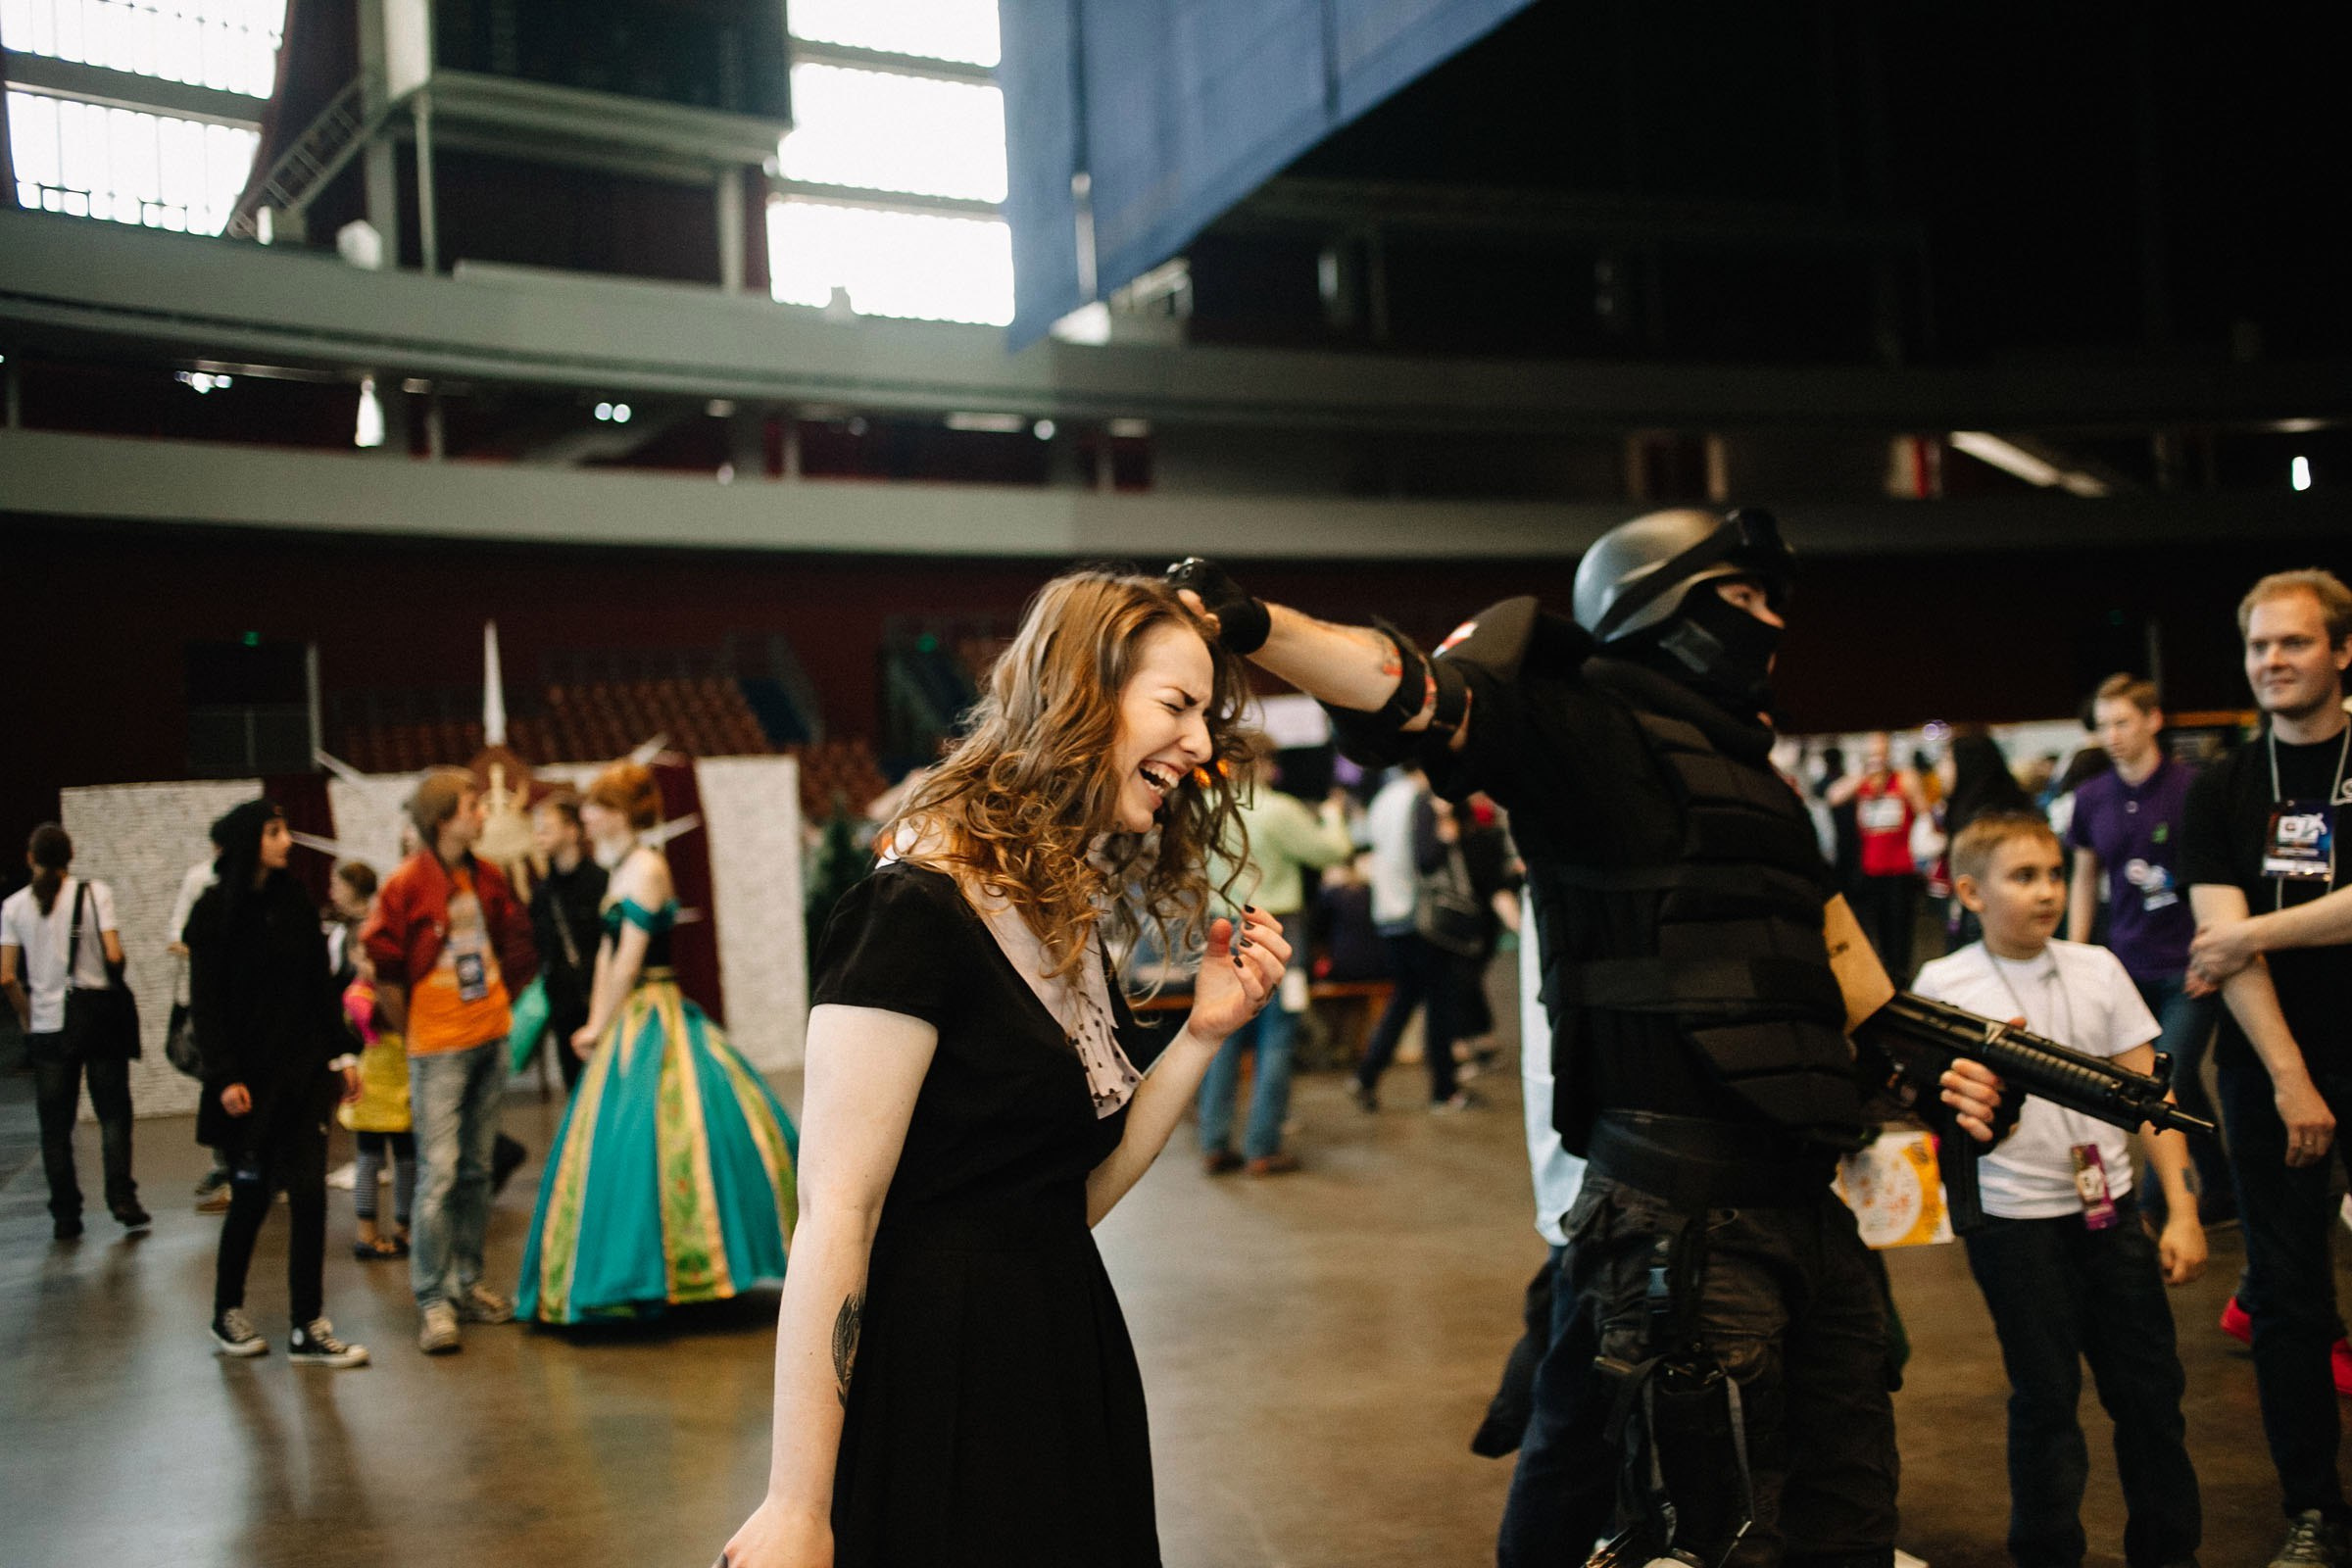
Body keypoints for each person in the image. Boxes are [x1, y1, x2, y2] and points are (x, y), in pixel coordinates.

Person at [1166, 512, 2004, 1568]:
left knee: (1848, 1516)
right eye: (1742, 598)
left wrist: (1936, 1076)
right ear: (1659, 605)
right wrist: (1255, 625)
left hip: (1807, 1207)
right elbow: (1411, 693)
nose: (1770, 623)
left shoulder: (1764, 784)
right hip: (1676, 1216)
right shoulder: (1587, 730)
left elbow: (1840, 990)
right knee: (1713, 1531)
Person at [717, 569, 1289, 1568]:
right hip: (943, 1393)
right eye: (1178, 705)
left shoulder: (1054, 906)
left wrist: (1203, 1035)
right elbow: (837, 1211)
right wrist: (797, 1502)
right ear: (1079, 695)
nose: (1201, 743)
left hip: (1065, 1369)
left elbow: (1067, 1202)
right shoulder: (913, 910)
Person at [1914, 812, 2205, 1568]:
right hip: (2014, 1224)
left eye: (2053, 874)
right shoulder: (1943, 985)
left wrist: (2180, 1209)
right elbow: (1924, 1107)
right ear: (1971, 893)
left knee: (2151, 1397)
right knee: (2045, 1402)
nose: (2046, 892)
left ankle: (2169, 1553)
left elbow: (2153, 1100)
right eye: (2023, 877)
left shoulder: (2098, 967)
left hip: (2110, 1212)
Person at [2178, 568, 2352, 1568]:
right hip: (2268, 1069)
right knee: (2289, 1297)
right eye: (2259, 645)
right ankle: (2314, 1509)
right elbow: (2216, 940)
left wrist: (2257, 932)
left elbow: (2234, 939)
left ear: (2343, 651)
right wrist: (2289, 1078)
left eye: (2294, 641)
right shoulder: (2224, 785)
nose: (2273, 660)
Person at [515, 761, 799, 1324]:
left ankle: (671, 1268)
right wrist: (596, 1022)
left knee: (655, 1135)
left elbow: (628, 960)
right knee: (628, 1140)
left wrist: (601, 1023)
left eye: (596, 807)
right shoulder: (620, 867)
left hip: (652, 1010)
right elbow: (606, 955)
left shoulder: (646, 868)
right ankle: (640, 1271)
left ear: (620, 814)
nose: (587, 816)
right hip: (629, 1015)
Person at [361, 766, 538, 1354]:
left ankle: (468, 1281)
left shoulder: (486, 876)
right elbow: (384, 965)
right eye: (472, 805)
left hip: (490, 1035)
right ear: (443, 820)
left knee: (477, 1171)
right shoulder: (405, 884)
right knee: (438, 1176)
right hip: (438, 1047)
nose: (483, 813)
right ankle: (434, 1299)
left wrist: (498, 1005)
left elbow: (507, 943)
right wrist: (412, 1028)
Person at [186, 800, 368, 1366]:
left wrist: (342, 1053)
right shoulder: (213, 912)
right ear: (250, 842)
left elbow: (319, 987)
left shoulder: (295, 902)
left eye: (285, 829)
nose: (287, 840)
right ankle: (227, 1311)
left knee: (310, 1195)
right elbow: (206, 1005)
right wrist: (224, 1076)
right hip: (248, 1084)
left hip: (304, 1074)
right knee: (251, 1196)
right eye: (274, 832)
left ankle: (307, 1325)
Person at [2066, 674, 2231, 1224]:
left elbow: (2225, 874)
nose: (2111, 735)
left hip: (2190, 965)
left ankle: (2153, 1209)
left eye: (2122, 722)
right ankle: (2222, 1189)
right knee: (2182, 1088)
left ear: (2153, 720)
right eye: (2103, 725)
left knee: (2163, 1084)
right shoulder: (2092, 797)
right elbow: (2084, 877)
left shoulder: (2194, 788)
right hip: (2127, 964)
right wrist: (2073, 955)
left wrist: (2215, 953)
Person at [1198, 740, 1352, 1174]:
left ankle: (1214, 1141)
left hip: (1221, 927)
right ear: (1263, 765)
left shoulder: (1206, 809)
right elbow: (1332, 852)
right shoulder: (1278, 809)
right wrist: (1333, 815)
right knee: (1277, 1035)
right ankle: (1262, 1148)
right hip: (1276, 927)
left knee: (1222, 1034)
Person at [2, 823, 145, 1240]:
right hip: (97, 1020)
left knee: (55, 1127)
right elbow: (114, 953)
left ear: (31, 858)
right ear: (71, 854)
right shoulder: (94, 893)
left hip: (48, 1027)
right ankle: (122, 1198)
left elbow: (6, 976)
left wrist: (28, 1016)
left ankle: (65, 1214)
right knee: (113, 1114)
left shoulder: (13, 907)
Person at [1351, 763, 1474, 1112]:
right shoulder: (1421, 799)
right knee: (1439, 1003)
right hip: (1421, 917)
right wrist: (1446, 833)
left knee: (1404, 998)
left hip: (1388, 914)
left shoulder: (1383, 798)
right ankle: (1444, 1091)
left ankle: (1367, 1075)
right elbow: (1427, 858)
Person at [1827, 731, 1932, 978]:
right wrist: (1864, 774)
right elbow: (1834, 796)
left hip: (1900, 868)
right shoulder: (1862, 784)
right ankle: (1884, 974)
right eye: (1874, 754)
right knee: (1877, 928)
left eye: (1882, 753)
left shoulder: (1903, 780)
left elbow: (1924, 811)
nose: (1878, 759)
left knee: (1900, 929)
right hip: (1871, 868)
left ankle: (1901, 975)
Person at [527, 790, 607, 1096]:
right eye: (537, 829)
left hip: (599, 1002)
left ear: (572, 831)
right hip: (562, 1009)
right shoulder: (543, 892)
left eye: (547, 828)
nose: (540, 836)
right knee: (576, 1090)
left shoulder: (601, 883)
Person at [169, 846, 233, 1211]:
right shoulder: (201, 882)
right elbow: (179, 935)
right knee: (220, 1082)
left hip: (249, 1008)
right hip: (215, 1003)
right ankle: (225, 1167)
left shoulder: (274, 888)